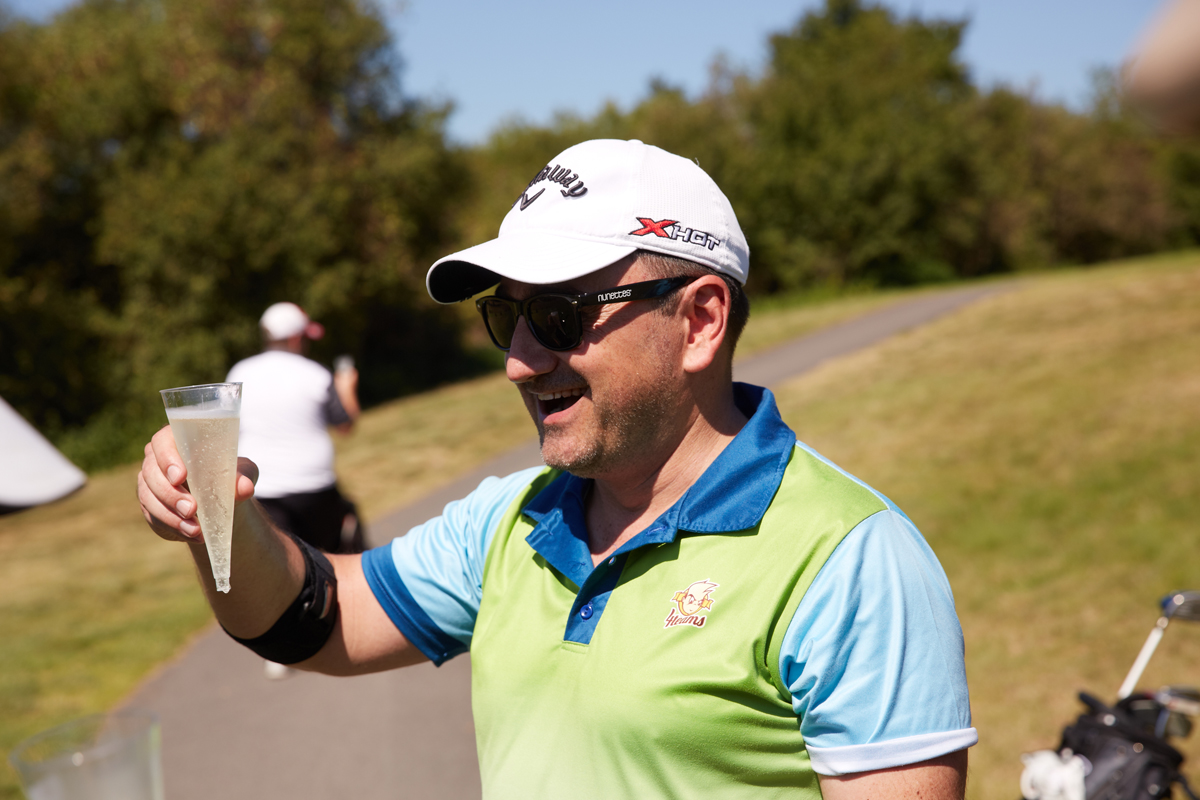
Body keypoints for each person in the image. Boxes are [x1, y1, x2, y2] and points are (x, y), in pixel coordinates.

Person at [139, 139, 975, 798]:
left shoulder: (851, 559)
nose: (520, 360)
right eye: (507, 317)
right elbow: (313, 622)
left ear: (700, 322)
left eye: (557, 315)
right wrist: (217, 514)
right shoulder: (514, 519)